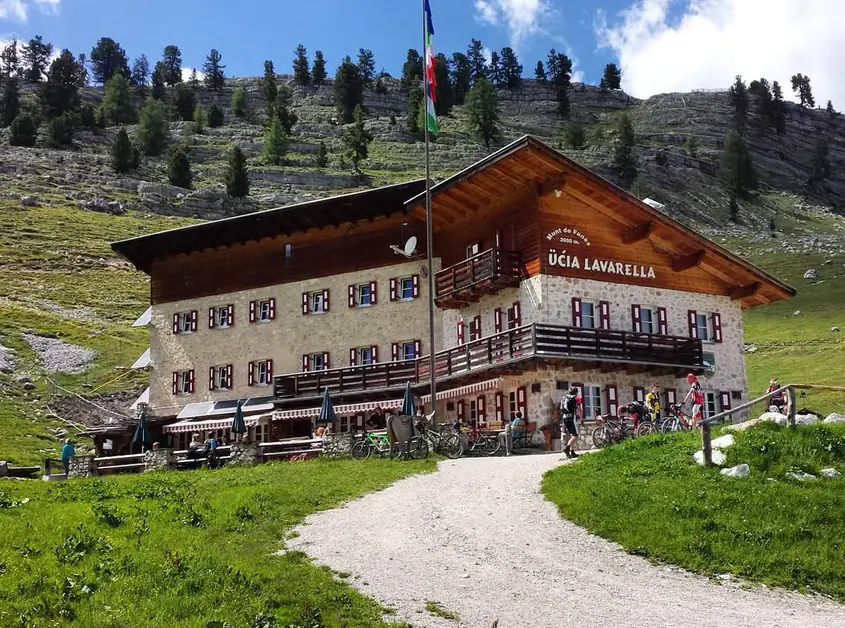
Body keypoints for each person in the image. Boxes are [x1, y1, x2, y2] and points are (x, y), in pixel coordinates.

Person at [559, 387, 583, 459]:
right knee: (575, 435)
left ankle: (572, 452)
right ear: (576, 392)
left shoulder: (564, 397)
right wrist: (581, 419)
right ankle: (567, 449)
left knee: (571, 435)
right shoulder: (576, 398)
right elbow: (579, 410)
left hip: (564, 417)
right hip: (571, 418)